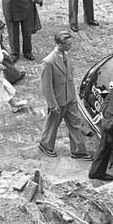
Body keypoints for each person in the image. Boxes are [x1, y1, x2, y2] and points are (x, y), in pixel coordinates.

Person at [39, 31, 89, 159]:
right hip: (58, 100)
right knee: (52, 125)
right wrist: (52, 104)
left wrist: (74, 96)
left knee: (75, 123)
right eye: (69, 44)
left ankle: (79, 151)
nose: (71, 46)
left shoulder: (66, 55)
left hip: (70, 98)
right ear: (60, 45)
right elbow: (47, 87)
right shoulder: (49, 62)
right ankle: (45, 145)